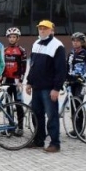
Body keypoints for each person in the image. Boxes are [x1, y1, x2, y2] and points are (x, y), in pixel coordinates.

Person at [25, 20, 67, 153]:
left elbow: (61, 70)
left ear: (52, 30)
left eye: (45, 28)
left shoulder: (57, 46)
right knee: (36, 115)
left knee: (52, 116)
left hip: (49, 88)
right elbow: (33, 65)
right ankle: (39, 140)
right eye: (40, 28)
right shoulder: (36, 43)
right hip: (36, 87)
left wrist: (56, 88)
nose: (42, 31)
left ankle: (55, 143)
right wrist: (29, 81)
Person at [2, 27, 28, 136]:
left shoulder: (21, 51)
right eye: (10, 37)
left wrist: (21, 80)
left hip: (16, 80)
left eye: (14, 37)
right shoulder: (4, 50)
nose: (12, 39)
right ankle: (10, 125)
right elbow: (2, 66)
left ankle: (20, 127)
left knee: (18, 104)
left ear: (17, 38)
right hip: (7, 80)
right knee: (8, 104)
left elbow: (23, 67)